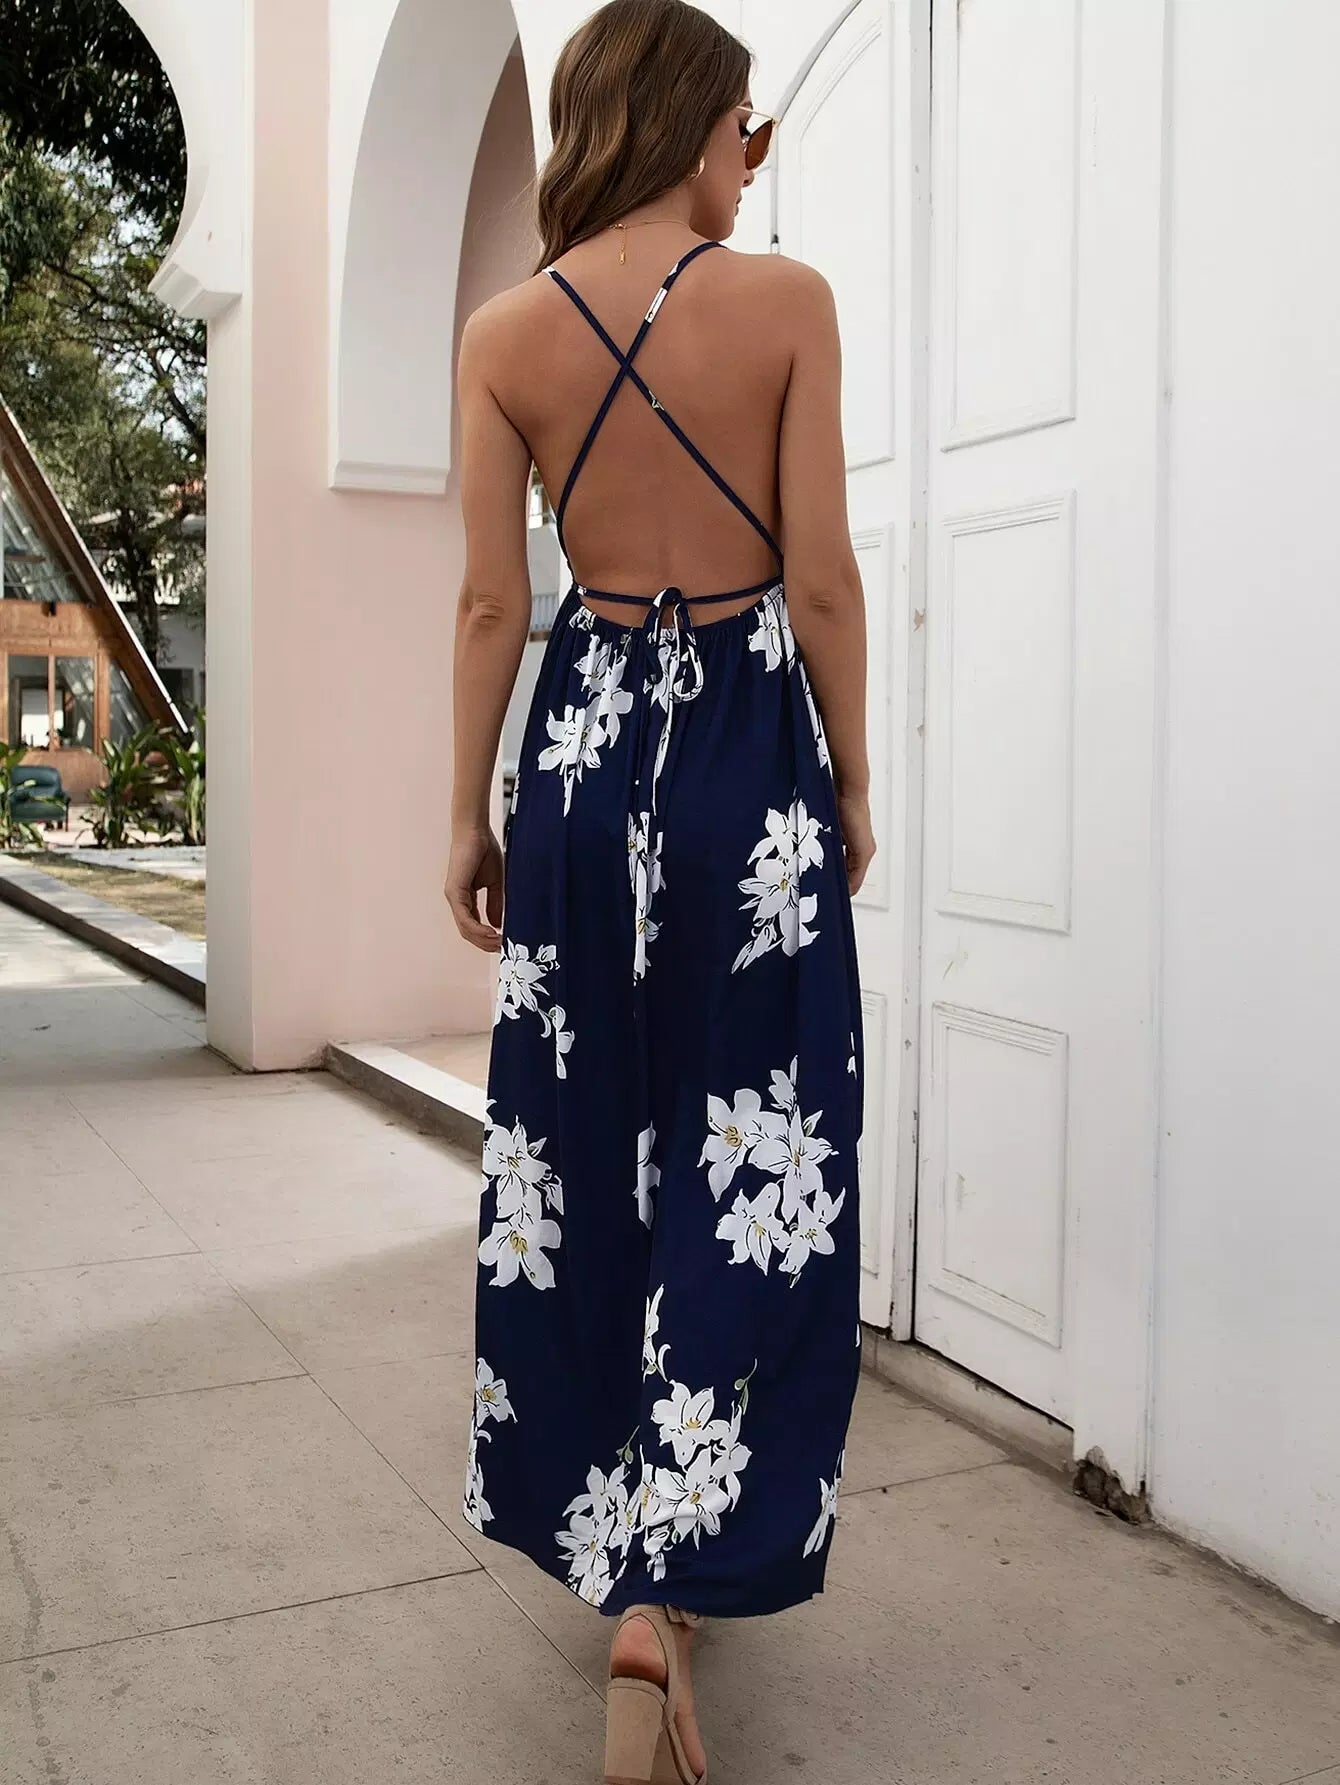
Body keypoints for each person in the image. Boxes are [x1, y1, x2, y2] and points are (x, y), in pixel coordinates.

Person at [446, 3, 874, 1778]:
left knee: (581, 1146)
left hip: (579, 762)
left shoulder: (505, 335)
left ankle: (620, 1557)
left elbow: (494, 604)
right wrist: (854, 777)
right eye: (747, 131)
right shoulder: (787, 306)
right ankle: (678, 1578)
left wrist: (465, 815)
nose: (750, 163)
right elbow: (822, 576)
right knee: (754, 1151)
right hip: (744, 763)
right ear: (694, 121)